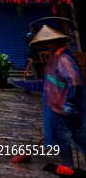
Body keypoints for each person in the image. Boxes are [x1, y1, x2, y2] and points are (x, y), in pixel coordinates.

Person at [35, 25, 86, 170]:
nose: (45, 44)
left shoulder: (63, 59)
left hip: (66, 108)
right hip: (58, 108)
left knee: (79, 138)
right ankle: (67, 166)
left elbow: (75, 83)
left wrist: (71, 106)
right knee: (63, 140)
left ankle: (69, 166)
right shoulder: (54, 56)